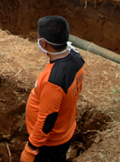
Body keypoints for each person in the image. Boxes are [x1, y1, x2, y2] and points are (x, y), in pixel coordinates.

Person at [20, 16, 84, 162]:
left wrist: (31, 148)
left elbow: (46, 120)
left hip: (49, 145)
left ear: (43, 42)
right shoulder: (76, 58)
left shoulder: (53, 81)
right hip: (64, 131)